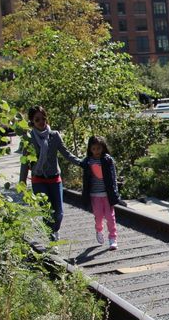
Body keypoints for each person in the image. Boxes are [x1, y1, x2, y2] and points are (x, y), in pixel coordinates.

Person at [18, 106, 82, 241]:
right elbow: (24, 162)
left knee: (58, 213)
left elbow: (66, 154)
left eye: (43, 118)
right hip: (38, 179)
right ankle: (52, 238)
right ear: (32, 122)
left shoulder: (54, 136)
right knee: (47, 211)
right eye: (37, 120)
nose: (41, 122)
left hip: (54, 178)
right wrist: (22, 182)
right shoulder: (29, 138)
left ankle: (54, 231)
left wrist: (81, 163)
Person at [81, 135, 120, 250]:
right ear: (90, 149)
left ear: (103, 147)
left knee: (110, 217)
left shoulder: (108, 160)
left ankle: (113, 238)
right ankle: (99, 230)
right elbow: (84, 176)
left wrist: (115, 191)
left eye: (98, 148)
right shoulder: (88, 161)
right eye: (93, 149)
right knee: (98, 217)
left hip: (107, 194)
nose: (96, 151)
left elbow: (113, 177)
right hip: (94, 194)